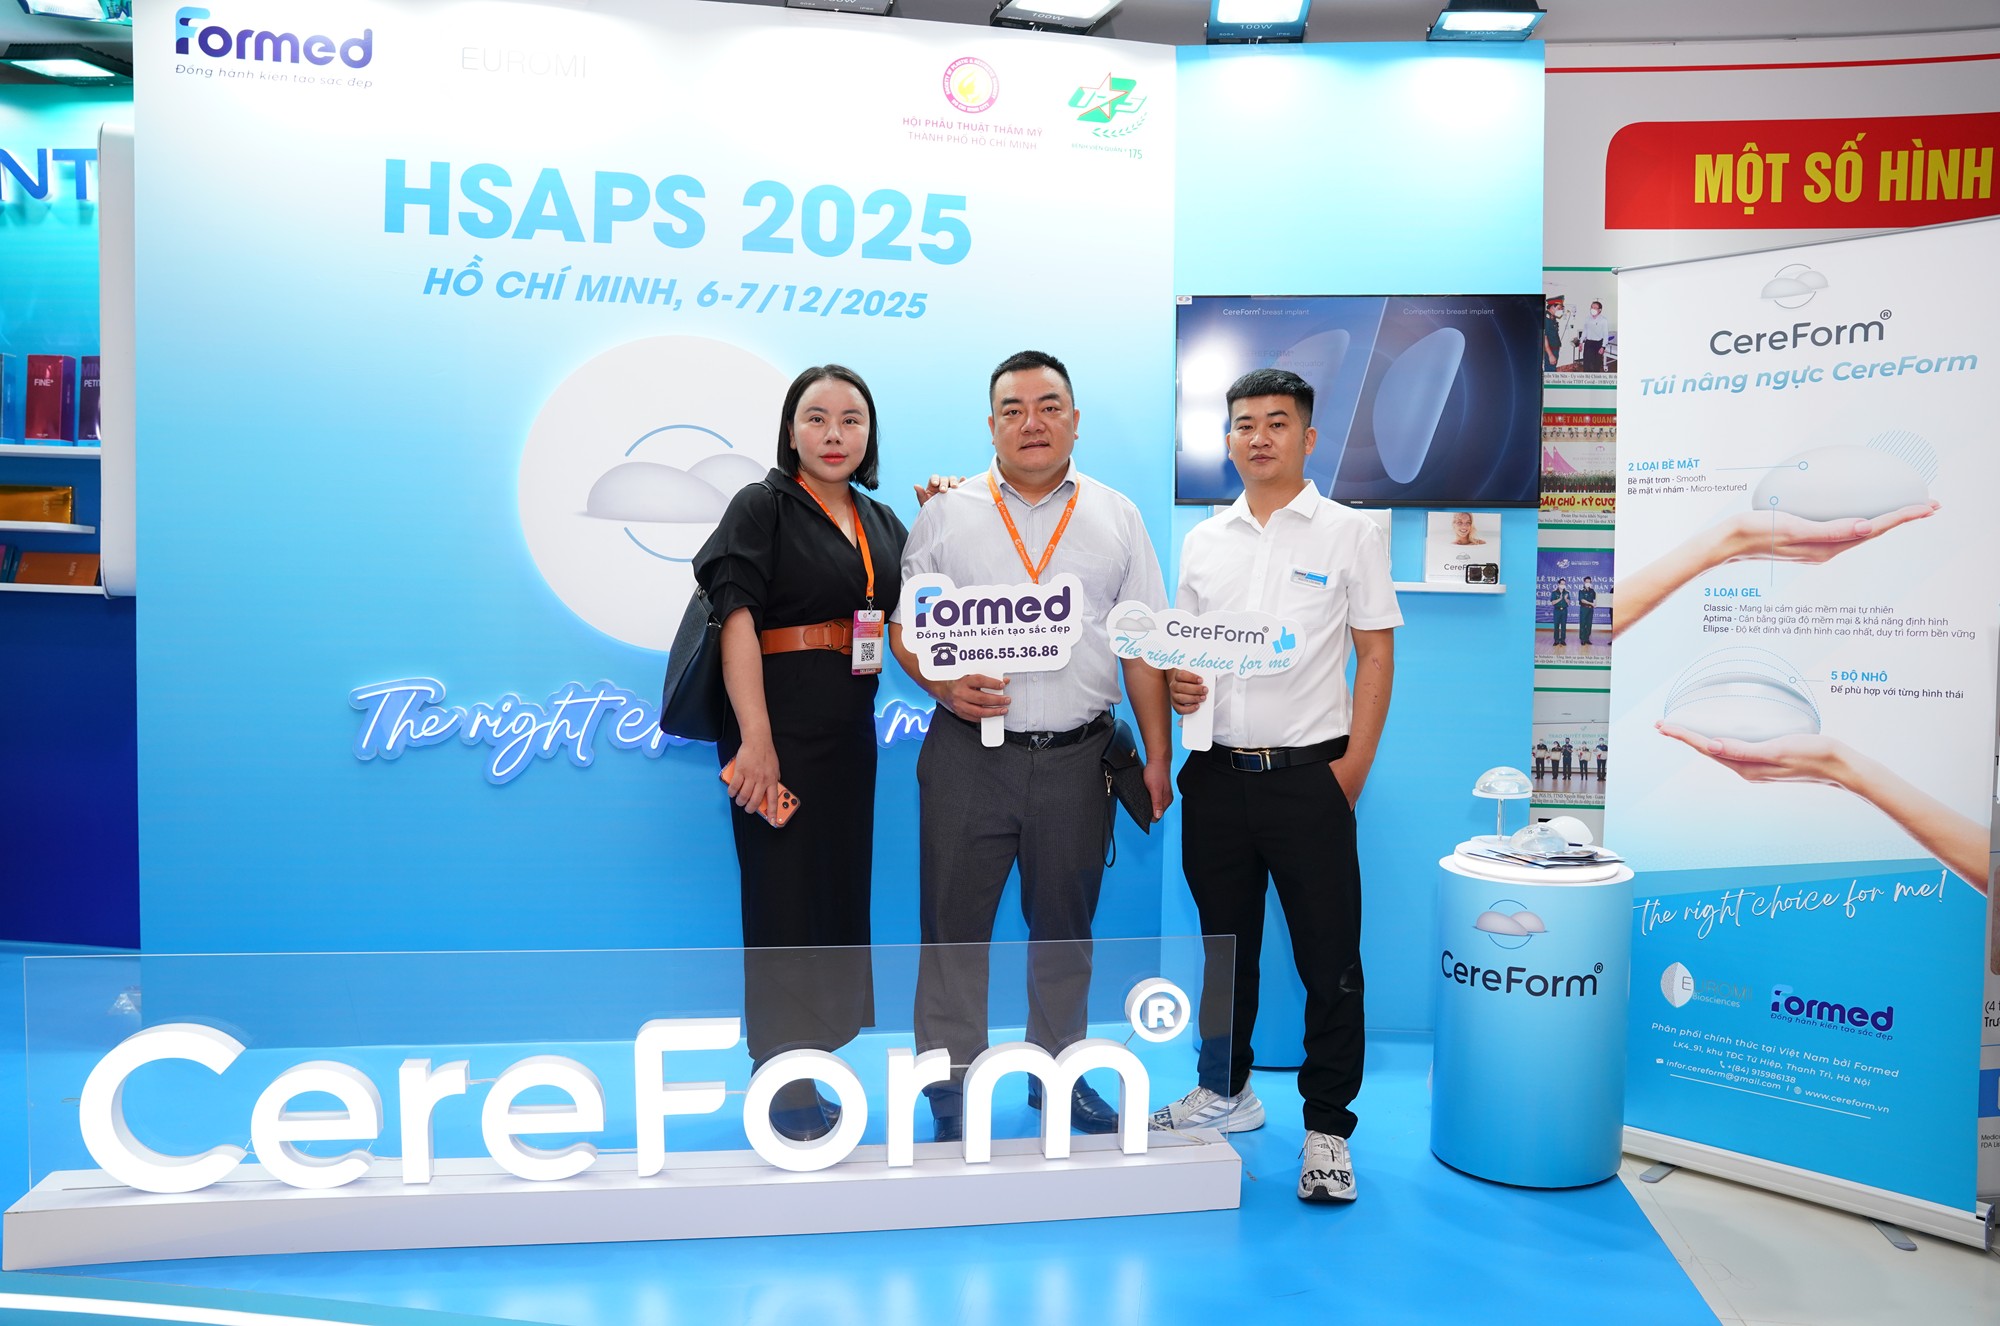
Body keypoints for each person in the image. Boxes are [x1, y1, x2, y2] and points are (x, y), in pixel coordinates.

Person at [888, 349, 1174, 1143]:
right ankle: (951, 1085)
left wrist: (1158, 755)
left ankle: (1059, 1075)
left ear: (1075, 420)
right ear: (992, 427)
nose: (1032, 422)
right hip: (967, 754)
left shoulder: (1117, 516)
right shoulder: (946, 515)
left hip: (1081, 759)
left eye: (1049, 406)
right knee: (951, 927)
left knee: (1065, 931)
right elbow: (907, 627)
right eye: (1013, 410)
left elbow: (1140, 645)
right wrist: (944, 686)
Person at [1151, 368, 1400, 1205]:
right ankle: (1225, 1090)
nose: (1259, 437)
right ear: (1227, 439)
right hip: (1216, 780)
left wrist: (1351, 771)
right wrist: (1182, 680)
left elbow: (1376, 653)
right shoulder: (1204, 540)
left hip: (1308, 781)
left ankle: (1327, 1128)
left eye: (1278, 422)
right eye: (1245, 423)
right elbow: (1186, 653)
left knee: (1329, 959)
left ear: (1308, 437)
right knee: (1226, 952)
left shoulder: (1349, 534)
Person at [692, 364, 910, 1142]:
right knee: (782, 902)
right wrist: (755, 740)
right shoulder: (762, 505)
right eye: (816, 418)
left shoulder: (883, 521)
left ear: (869, 435)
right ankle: (778, 1076)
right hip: (774, 737)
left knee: (833, 899)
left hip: (849, 737)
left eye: (851, 420)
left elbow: (910, 614)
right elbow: (737, 620)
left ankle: (812, 1058)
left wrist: (945, 511)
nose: (834, 434)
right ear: (791, 430)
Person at [1580, 300, 1610, 373]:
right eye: (1591, 307)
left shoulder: (1603, 320)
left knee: (1596, 365)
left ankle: (1595, 378)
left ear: (1600, 310)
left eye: (1595, 307)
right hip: (1588, 343)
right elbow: (1585, 331)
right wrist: (1581, 342)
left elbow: (1605, 335)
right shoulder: (1587, 318)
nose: (1592, 309)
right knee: (1587, 364)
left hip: (1598, 344)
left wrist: (1603, 347)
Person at [1578, 575, 1598, 646]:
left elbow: (1596, 598)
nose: (1588, 583)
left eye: (1589, 582)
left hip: (1590, 609)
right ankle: (1582, 639)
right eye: (1586, 582)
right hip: (1584, 609)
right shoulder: (1581, 591)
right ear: (1584, 582)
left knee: (1589, 624)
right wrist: (1591, 603)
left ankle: (1587, 639)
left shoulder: (1592, 591)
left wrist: (1596, 603)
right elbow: (1582, 600)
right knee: (1583, 624)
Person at [1550, 577, 1570, 647]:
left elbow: (1568, 603)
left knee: (1563, 626)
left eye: (1564, 584)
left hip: (1564, 610)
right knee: (1556, 625)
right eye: (1561, 584)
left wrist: (1565, 599)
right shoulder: (1554, 592)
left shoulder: (1567, 592)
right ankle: (1556, 640)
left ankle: (1562, 640)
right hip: (1557, 610)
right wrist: (1560, 598)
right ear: (1558, 584)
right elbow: (1553, 602)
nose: (1563, 585)